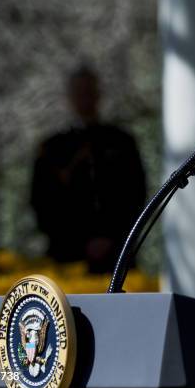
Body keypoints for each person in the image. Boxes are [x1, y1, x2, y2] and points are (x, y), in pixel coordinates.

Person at [31, 65, 146, 273]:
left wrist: (110, 236)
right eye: (79, 91)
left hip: (116, 255)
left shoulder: (121, 142)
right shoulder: (52, 148)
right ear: (69, 96)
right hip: (67, 256)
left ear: (99, 94)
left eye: (89, 91)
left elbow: (135, 193)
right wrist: (78, 240)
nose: (85, 97)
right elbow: (42, 201)